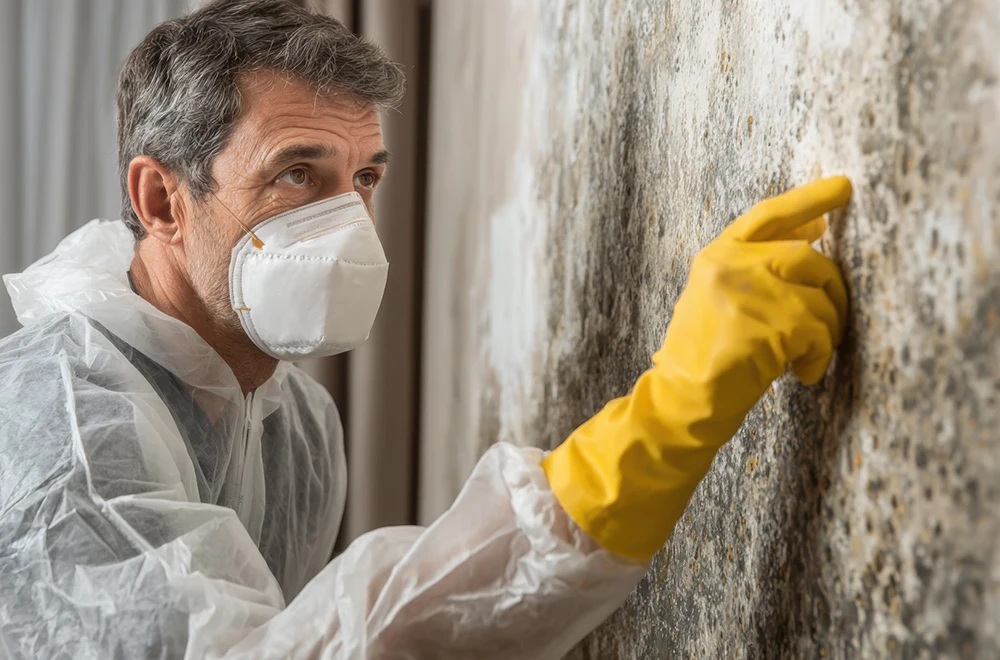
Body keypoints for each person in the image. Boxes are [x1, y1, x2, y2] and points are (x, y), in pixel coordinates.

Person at [0, 0, 852, 657]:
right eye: (297, 174)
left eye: (363, 176)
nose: (347, 222)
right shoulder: (64, 426)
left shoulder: (294, 420)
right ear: (161, 201)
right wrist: (655, 429)